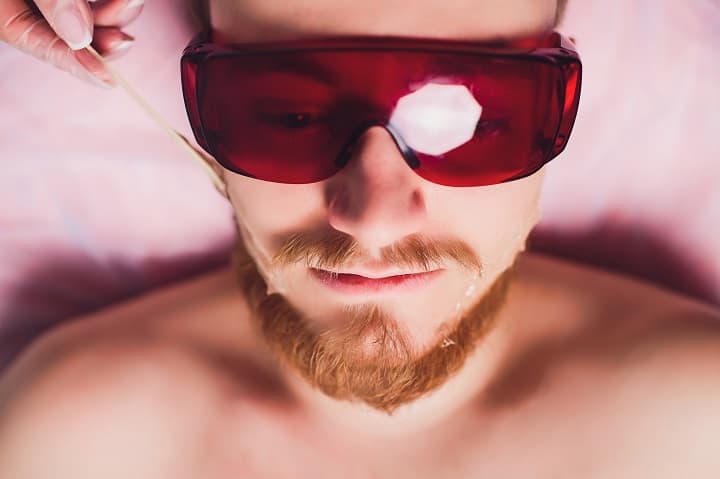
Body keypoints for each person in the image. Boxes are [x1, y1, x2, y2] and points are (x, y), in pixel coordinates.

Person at [1, 0, 719, 476]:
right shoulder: (76, 442)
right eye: (286, 113)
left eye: (471, 117)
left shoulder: (698, 426)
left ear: (559, 109)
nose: (372, 216)